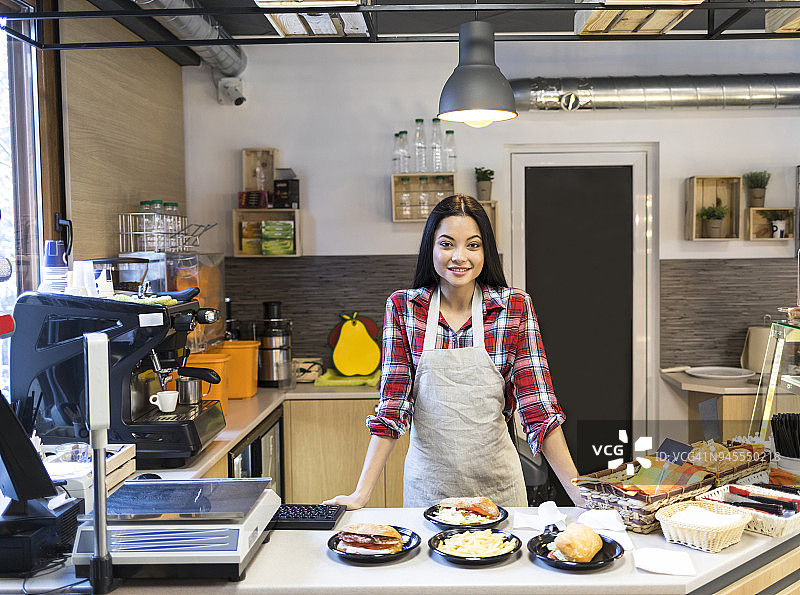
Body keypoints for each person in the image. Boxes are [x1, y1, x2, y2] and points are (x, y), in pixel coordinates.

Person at [325, 195, 583, 509]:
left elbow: (538, 410)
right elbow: (392, 409)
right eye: (447, 244)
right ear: (430, 248)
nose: (460, 256)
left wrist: (581, 499)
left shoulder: (513, 307)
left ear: (485, 250)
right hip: (428, 493)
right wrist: (360, 494)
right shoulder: (404, 308)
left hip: (499, 491)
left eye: (472, 245)